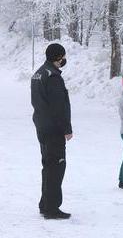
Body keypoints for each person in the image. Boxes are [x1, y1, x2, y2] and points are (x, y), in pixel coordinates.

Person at [31, 43, 72, 219]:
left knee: (48, 165)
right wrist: (66, 128)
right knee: (56, 166)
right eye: (62, 56)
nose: (64, 59)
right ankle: (52, 207)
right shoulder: (53, 76)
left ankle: (45, 203)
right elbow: (58, 106)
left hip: (42, 126)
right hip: (54, 129)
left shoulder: (38, 73)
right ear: (58, 57)